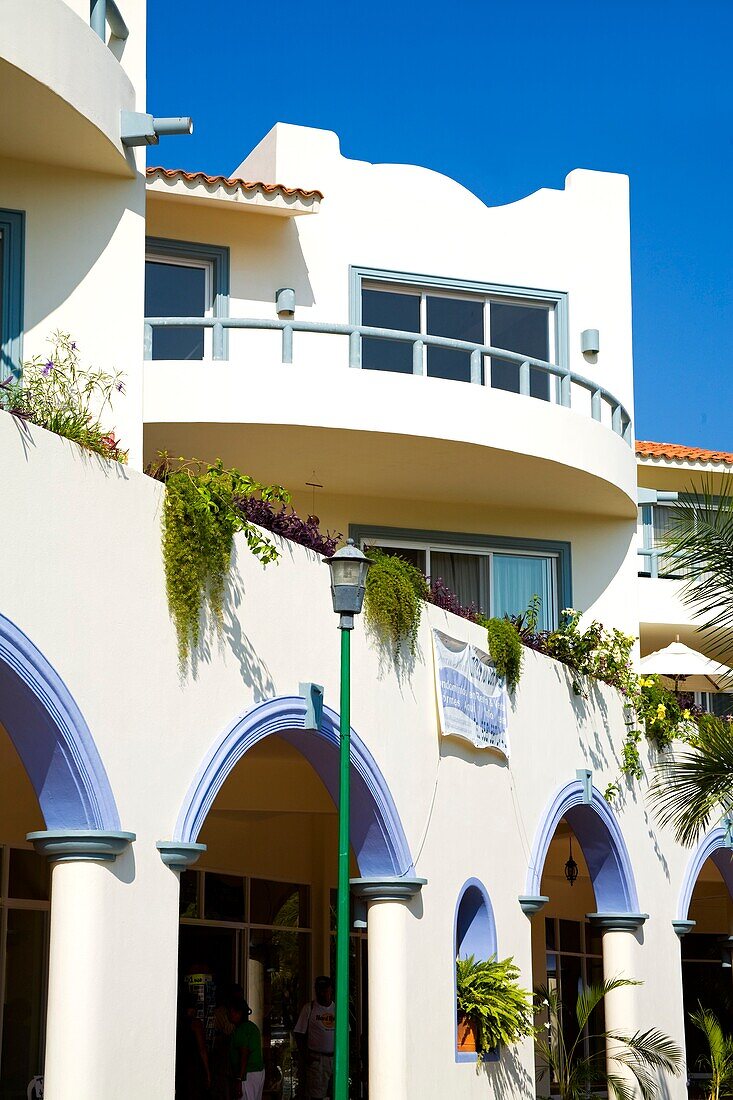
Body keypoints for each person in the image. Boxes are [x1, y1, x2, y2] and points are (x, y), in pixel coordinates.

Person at [294, 977, 335, 1100]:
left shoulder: (338, 1009)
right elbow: (299, 1033)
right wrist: (305, 1055)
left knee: (335, 1093)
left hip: (335, 1059)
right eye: (319, 990)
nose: (322, 993)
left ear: (330, 990)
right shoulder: (309, 1008)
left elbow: (347, 1032)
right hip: (317, 1060)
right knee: (316, 1095)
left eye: (324, 990)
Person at [175, 991, 211, 1099]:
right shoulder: (196, 1024)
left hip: (180, 1066)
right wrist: (208, 1073)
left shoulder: (176, 1022)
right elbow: (202, 1050)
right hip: (193, 1067)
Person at [228, 996, 265, 1100]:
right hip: (257, 1072)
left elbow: (244, 1054)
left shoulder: (241, 1030)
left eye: (231, 1012)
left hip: (248, 1073)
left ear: (239, 1013)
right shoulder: (251, 1027)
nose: (228, 1015)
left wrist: (239, 1078)